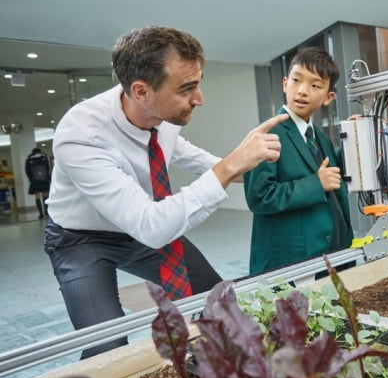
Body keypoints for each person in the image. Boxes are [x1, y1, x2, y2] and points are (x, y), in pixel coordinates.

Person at [44, 26, 287, 358]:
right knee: (107, 344)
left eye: (198, 82)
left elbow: (187, 154)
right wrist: (229, 166)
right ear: (141, 91)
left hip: (142, 229)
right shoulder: (81, 135)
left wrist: (250, 169)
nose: (199, 98)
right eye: (187, 88)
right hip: (81, 239)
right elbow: (152, 226)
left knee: (220, 306)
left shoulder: (163, 115)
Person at [243, 47, 353, 275]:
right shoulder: (269, 133)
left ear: (328, 97)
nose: (302, 91)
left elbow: (330, 178)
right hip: (290, 259)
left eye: (315, 85)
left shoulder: (319, 137)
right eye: (296, 80)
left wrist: (353, 139)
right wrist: (316, 184)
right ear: (285, 84)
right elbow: (259, 197)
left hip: (329, 253)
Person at [25, 147, 51, 219]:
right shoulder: (44, 158)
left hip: (35, 181)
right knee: (45, 196)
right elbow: (48, 168)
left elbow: (27, 171)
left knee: (37, 196)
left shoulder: (29, 159)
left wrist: (31, 179)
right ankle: (46, 212)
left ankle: (40, 214)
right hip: (44, 180)